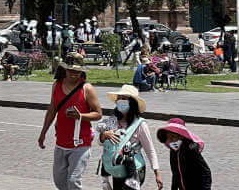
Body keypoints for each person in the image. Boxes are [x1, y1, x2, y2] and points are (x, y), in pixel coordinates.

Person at [38, 52, 102, 190]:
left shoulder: (87, 89)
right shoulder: (56, 85)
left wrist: (81, 116)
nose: (74, 74)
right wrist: (43, 132)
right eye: (71, 70)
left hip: (81, 143)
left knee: (73, 181)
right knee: (60, 182)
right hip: (61, 142)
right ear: (65, 69)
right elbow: (52, 110)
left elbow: (98, 114)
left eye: (77, 71)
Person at [96, 84, 162, 190]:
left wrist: (157, 174)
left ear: (132, 103)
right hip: (116, 170)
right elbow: (101, 143)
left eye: (125, 99)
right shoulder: (112, 120)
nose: (121, 101)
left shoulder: (140, 124)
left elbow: (150, 150)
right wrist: (103, 135)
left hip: (134, 170)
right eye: (119, 98)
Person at [156, 117, 211, 190]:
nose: (170, 140)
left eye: (173, 137)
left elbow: (206, 171)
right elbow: (175, 173)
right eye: (169, 137)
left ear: (180, 136)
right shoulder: (173, 150)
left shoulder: (190, 148)